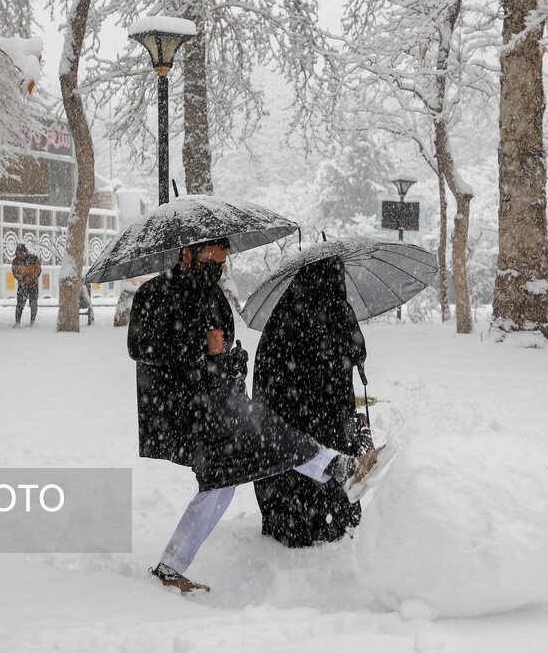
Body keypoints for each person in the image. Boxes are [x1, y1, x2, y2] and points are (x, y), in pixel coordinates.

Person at [128, 238, 388, 594]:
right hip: (179, 408)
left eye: (222, 261)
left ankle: (170, 568)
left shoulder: (213, 296)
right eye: (210, 259)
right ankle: (341, 468)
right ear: (187, 253)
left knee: (221, 484)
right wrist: (199, 345)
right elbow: (140, 347)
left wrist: (231, 362)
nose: (216, 267)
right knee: (266, 436)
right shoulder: (155, 294)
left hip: (217, 399)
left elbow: (221, 348)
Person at [253, 256, 368, 548]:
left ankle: (313, 516)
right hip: (305, 412)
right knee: (317, 456)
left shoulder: (294, 312)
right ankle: (319, 516)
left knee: (323, 456)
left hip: (314, 410)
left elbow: (352, 351)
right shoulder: (303, 316)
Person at [11, 244, 41, 327]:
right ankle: (17, 322)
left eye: (21, 253)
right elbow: (15, 273)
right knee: (19, 304)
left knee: (33, 303)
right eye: (18, 253)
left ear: (25, 252)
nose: (20, 255)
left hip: (33, 284)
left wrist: (31, 278)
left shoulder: (34, 259)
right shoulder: (15, 261)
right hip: (22, 285)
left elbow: (38, 270)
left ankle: (32, 321)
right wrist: (23, 278)